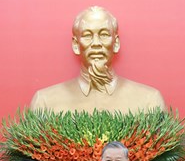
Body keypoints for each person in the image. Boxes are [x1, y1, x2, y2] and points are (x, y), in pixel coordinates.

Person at [30, 6, 165, 113]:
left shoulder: (149, 102)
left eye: (104, 34)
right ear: (76, 45)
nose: (96, 43)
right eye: (87, 35)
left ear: (116, 43)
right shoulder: (45, 103)